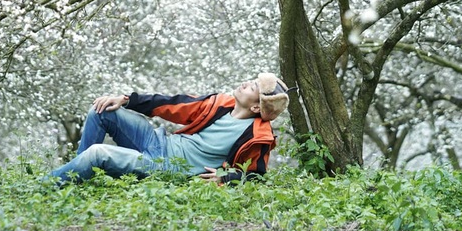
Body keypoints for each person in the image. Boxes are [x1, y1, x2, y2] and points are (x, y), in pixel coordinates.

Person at [48, 73, 289, 185]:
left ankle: (43, 187)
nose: (246, 83)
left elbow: (255, 176)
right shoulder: (220, 103)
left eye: (253, 87)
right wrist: (126, 99)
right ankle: (74, 177)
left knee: (98, 154)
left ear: (258, 107)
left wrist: (224, 177)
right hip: (158, 141)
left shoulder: (258, 136)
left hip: (167, 167)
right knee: (101, 111)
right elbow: (173, 104)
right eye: (252, 80)